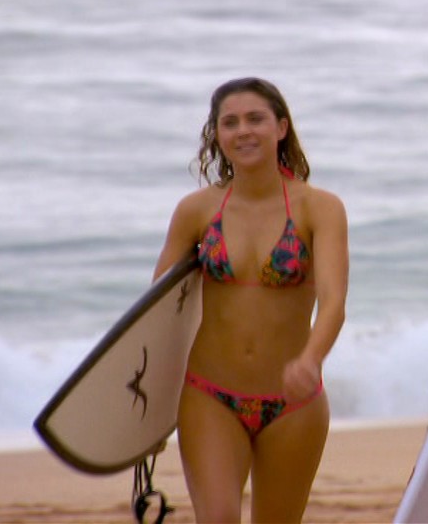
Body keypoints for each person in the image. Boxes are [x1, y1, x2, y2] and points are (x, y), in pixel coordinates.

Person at [152, 77, 348, 523]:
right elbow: (158, 311)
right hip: (210, 395)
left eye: (255, 119)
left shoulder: (320, 208)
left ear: (281, 127)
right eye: (230, 122)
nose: (243, 131)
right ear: (217, 135)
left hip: (294, 404)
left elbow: (334, 302)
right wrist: (148, 410)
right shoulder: (196, 210)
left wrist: (311, 360)